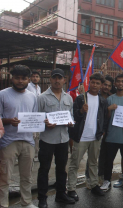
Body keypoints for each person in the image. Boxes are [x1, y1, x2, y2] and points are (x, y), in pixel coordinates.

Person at [0, 65, 38, 208]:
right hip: (8, 142)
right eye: (17, 78)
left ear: (28, 80)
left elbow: (34, 117)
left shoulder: (32, 96)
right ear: (12, 78)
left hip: (28, 142)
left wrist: (40, 123)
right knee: (5, 178)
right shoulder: (1, 95)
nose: (20, 81)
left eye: (23, 78)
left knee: (27, 177)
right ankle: (2, 205)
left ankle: (27, 202)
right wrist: (8, 121)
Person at [36, 69, 75, 208]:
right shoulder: (42, 97)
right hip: (47, 139)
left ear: (64, 80)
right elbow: (36, 118)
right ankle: (42, 198)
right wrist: (45, 123)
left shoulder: (68, 98)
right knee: (44, 169)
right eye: (54, 78)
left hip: (63, 139)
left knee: (61, 168)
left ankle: (60, 195)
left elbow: (71, 115)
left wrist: (71, 122)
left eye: (60, 78)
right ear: (50, 80)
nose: (57, 81)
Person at [67, 73, 108, 200]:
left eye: (97, 83)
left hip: (95, 137)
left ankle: (94, 184)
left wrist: (103, 131)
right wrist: (80, 111)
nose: (94, 85)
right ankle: (71, 189)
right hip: (81, 136)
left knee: (93, 163)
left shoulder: (102, 100)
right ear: (89, 83)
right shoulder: (81, 98)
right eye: (93, 82)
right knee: (75, 163)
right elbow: (73, 116)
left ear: (101, 85)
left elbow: (105, 117)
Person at [100, 74, 123, 192]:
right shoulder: (110, 99)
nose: (120, 84)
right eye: (118, 82)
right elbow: (106, 118)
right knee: (108, 160)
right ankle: (106, 180)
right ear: (115, 84)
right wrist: (109, 109)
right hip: (112, 135)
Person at [26, 70, 41, 160]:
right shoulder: (28, 86)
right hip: (29, 114)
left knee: (37, 136)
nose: (35, 78)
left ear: (39, 78)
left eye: (37, 77)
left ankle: (36, 154)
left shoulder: (38, 88)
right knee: (31, 134)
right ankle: (28, 154)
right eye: (33, 76)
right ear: (30, 78)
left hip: (37, 114)